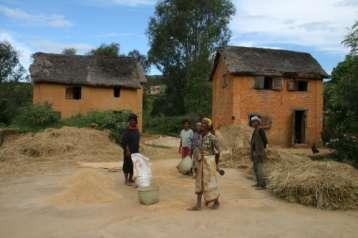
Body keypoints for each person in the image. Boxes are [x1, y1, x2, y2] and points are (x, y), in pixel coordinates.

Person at [189, 118, 220, 211]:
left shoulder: (212, 138)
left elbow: (218, 152)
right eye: (202, 123)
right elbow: (197, 149)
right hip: (200, 161)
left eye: (204, 123)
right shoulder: (200, 136)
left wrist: (216, 164)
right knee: (199, 182)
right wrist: (195, 163)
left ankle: (216, 201)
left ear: (209, 126)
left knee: (211, 182)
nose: (202, 125)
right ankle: (198, 204)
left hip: (209, 162)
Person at [120, 113, 140, 186]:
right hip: (128, 152)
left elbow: (137, 140)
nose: (132, 122)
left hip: (135, 151)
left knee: (133, 165)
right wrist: (127, 150)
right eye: (131, 120)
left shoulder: (136, 130)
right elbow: (124, 141)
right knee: (127, 165)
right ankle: (126, 180)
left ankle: (130, 179)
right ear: (129, 121)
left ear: (136, 121)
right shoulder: (127, 131)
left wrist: (138, 149)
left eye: (134, 120)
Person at [250, 116, 268, 189]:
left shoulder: (261, 130)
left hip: (259, 153)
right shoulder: (255, 130)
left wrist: (261, 150)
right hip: (255, 153)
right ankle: (258, 183)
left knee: (260, 169)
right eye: (252, 122)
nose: (253, 123)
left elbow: (265, 141)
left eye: (254, 122)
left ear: (258, 122)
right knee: (255, 168)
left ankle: (262, 185)